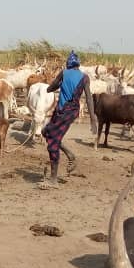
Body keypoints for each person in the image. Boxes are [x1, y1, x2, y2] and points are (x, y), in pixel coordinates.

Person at [39, 50, 93, 190]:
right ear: (78, 65)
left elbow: (52, 87)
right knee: (46, 132)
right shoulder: (85, 77)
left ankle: (53, 180)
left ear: (68, 64)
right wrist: (93, 119)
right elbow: (88, 98)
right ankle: (70, 155)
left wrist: (53, 87)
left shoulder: (64, 73)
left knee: (52, 144)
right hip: (70, 112)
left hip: (62, 112)